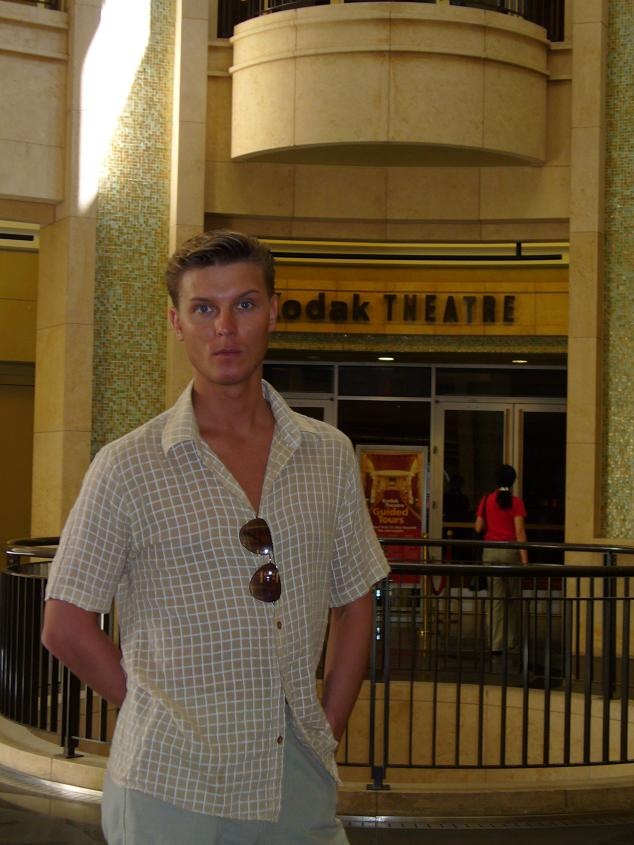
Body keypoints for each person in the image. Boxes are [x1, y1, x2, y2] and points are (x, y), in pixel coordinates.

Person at [41, 230, 389, 845]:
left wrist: (326, 729)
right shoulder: (128, 465)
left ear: (273, 311)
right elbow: (65, 623)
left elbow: (355, 601)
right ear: (177, 322)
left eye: (244, 304)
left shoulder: (328, 454)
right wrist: (156, 716)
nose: (225, 327)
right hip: (171, 790)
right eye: (204, 308)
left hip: (295, 782)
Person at [474, 464, 528, 655]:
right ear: (513, 481)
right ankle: (513, 642)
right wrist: (525, 559)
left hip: (490, 553)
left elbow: (478, 527)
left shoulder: (486, 500)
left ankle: (495, 643)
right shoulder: (516, 503)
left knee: (495, 600)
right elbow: (520, 532)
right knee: (513, 599)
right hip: (510, 552)